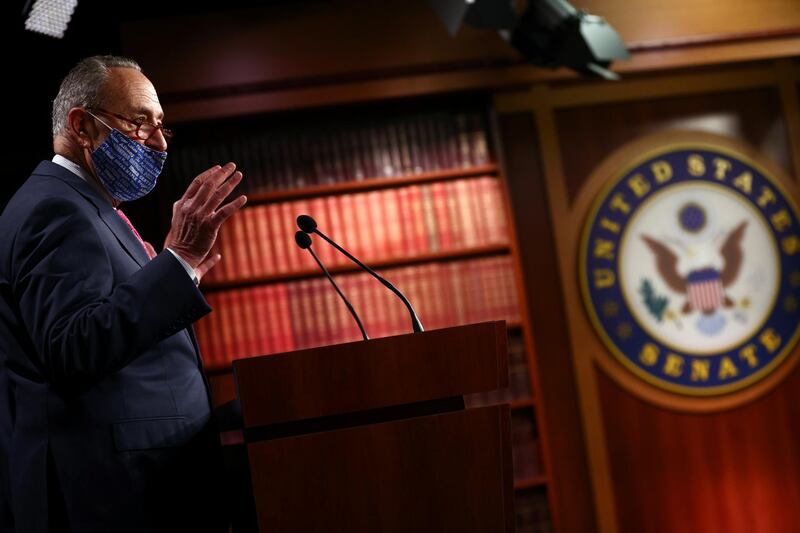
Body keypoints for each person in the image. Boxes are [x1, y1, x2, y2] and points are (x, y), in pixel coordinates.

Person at [0, 55, 247, 532]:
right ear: (81, 125)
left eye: (161, 128)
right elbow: (72, 348)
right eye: (139, 123)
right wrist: (176, 262)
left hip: (145, 482)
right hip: (115, 495)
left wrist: (175, 275)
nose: (157, 142)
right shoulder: (54, 208)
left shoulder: (86, 206)